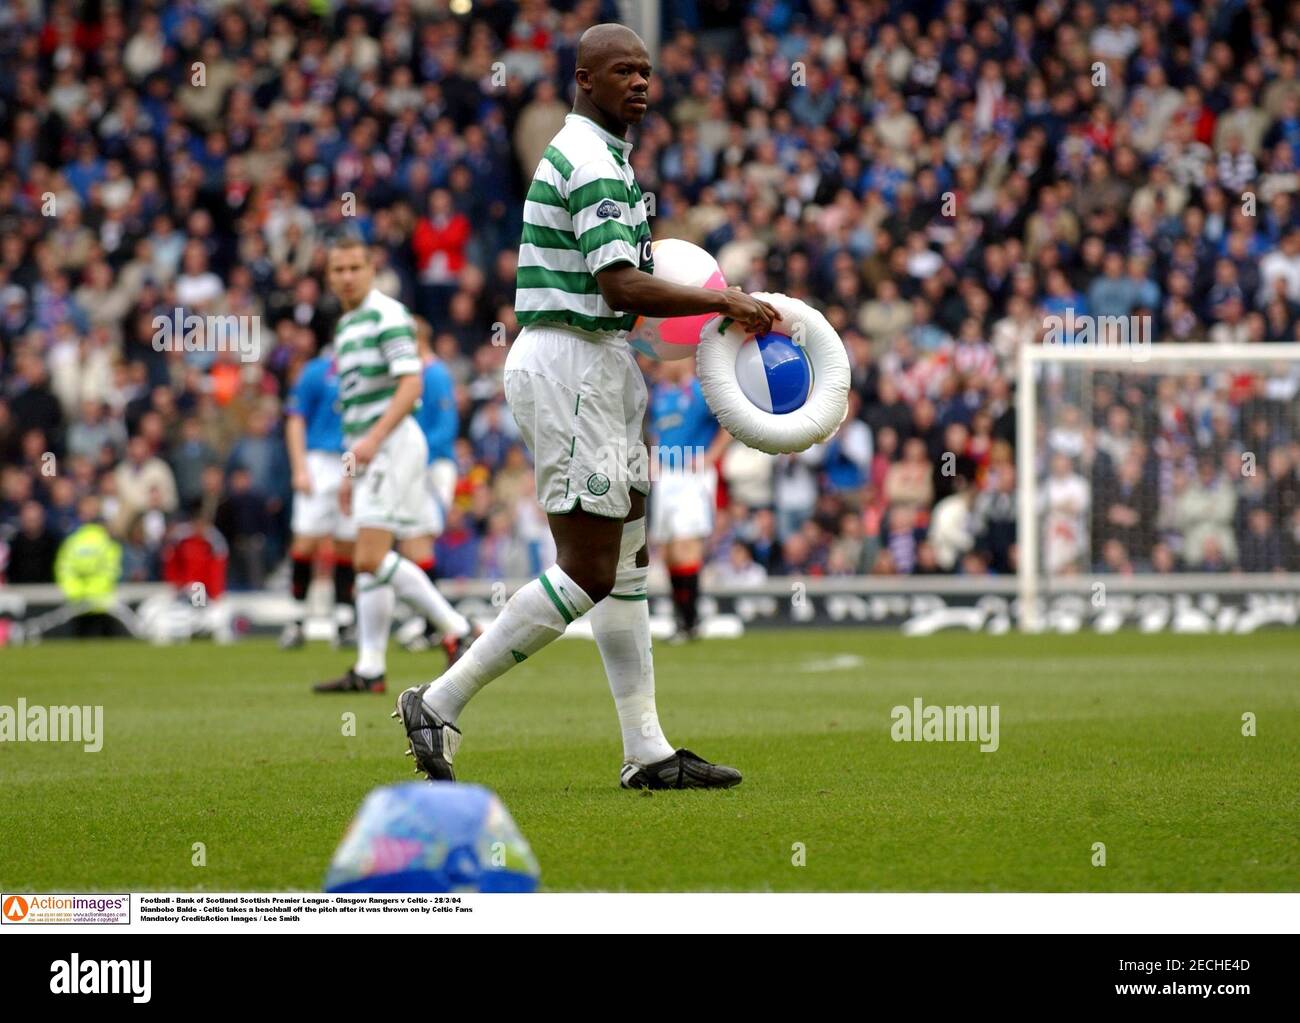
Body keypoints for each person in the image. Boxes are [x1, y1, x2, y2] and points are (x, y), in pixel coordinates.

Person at [394, 24, 776, 789]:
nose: (639, 82)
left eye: (645, 71)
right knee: (590, 567)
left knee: (628, 563)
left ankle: (647, 750)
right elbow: (620, 287)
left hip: (600, 360)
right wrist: (721, 298)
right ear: (583, 79)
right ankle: (438, 699)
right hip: (572, 359)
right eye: (622, 71)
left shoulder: (611, 161)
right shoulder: (594, 162)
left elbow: (626, 290)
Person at [311, 236, 474, 694]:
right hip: (368, 450)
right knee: (371, 558)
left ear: (370, 269)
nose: (345, 277)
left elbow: (409, 386)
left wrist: (373, 443)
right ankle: (370, 669)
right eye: (337, 269)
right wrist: (352, 466)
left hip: (394, 444)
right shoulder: (346, 326)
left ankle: (457, 628)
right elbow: (355, 404)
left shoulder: (387, 314)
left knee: (369, 557)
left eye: (353, 268)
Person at [648, 358, 730, 641]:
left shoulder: (700, 391)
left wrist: (712, 456)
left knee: (686, 543)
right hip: (666, 476)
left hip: (692, 476)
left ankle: (690, 620)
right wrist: (653, 457)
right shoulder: (661, 394)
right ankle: (681, 620)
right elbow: (659, 433)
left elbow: (728, 423)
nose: (661, 364)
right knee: (669, 550)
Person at [282, 344, 357, 648]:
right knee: (306, 541)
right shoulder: (316, 371)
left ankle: (343, 621)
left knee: (347, 543)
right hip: (319, 461)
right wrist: (300, 467)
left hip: (352, 458)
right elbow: (295, 418)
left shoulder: (367, 372)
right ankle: (296, 619)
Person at [396, 320, 462, 655]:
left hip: (432, 465)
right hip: (415, 464)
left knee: (419, 539)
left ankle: (436, 624)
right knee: (412, 543)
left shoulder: (434, 374)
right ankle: (433, 622)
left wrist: (417, 453)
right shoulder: (414, 374)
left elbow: (446, 426)